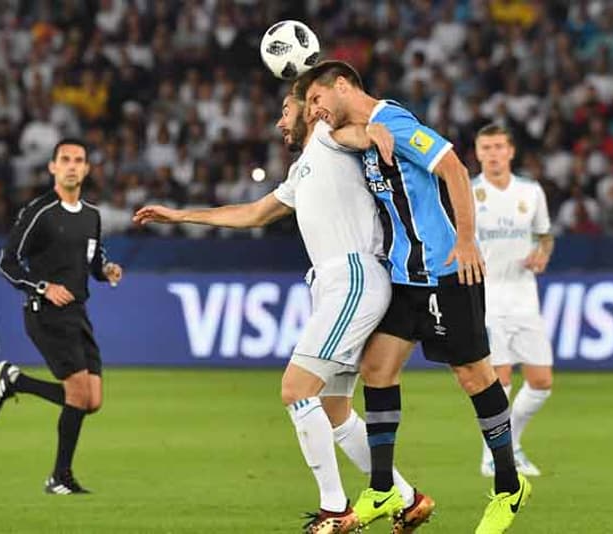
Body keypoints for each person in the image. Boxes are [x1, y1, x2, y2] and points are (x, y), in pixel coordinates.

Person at [133, 89, 432, 533]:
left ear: (311, 111)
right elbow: (253, 213)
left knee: (296, 389)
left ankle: (335, 509)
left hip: (352, 276)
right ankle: (407, 500)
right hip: (339, 283)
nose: (278, 122)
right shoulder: (302, 170)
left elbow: (358, 130)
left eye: (285, 111)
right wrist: (180, 216)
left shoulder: (330, 137)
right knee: (333, 409)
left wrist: (375, 129)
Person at [298, 60, 531, 534]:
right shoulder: (359, 132)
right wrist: (354, 134)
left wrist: (466, 239)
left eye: (317, 101)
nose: (314, 112)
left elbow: (454, 168)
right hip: (406, 275)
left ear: (342, 86)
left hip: (447, 271)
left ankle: (509, 487)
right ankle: (382, 487)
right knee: (377, 368)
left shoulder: (394, 121)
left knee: (474, 377)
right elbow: (335, 137)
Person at [0, 138, 123, 494]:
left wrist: (106, 270)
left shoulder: (92, 216)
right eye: (65, 160)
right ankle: (59, 477)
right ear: (52, 168)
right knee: (78, 395)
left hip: (78, 312)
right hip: (45, 313)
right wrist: (42, 286)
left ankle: (15, 381)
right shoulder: (39, 212)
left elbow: (92, 264)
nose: (72, 166)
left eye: (79, 159)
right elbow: (7, 263)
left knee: (93, 400)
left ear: (88, 168)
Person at [472, 124, 555, 478]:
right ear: (477, 153)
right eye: (486, 147)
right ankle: (494, 453)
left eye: (498, 147)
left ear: (510, 151)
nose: (492, 153)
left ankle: (513, 443)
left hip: (525, 297)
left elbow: (545, 235)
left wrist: (543, 253)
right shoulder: (469, 192)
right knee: (500, 379)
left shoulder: (531, 192)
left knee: (541, 382)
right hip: (487, 298)